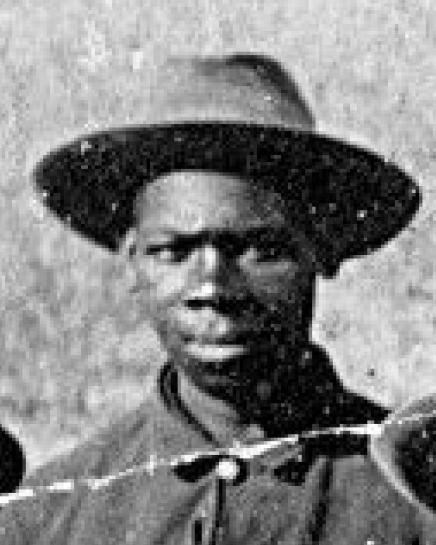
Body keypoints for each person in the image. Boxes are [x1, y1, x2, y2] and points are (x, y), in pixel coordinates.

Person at [0, 53, 430, 544]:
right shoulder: (47, 519)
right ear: (132, 260)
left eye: (258, 249)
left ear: (322, 247)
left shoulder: (412, 499)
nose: (211, 287)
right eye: (172, 251)